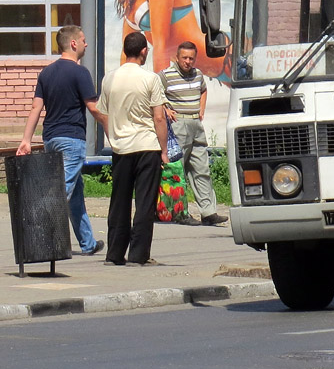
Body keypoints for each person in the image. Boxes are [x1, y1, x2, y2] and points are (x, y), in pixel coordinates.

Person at [15, 25, 105, 256]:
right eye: (83, 40)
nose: (86, 43)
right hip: (71, 140)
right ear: (73, 43)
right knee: (59, 192)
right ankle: (33, 236)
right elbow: (93, 108)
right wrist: (113, 128)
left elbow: (36, 107)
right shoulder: (80, 72)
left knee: (75, 192)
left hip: (51, 139)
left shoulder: (46, 73)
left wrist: (26, 140)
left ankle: (88, 243)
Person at [98, 31, 168, 266]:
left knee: (119, 201)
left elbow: (103, 114)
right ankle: (139, 255)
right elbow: (159, 118)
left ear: (125, 50)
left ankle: (114, 253)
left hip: (121, 148)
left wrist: (113, 137)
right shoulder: (150, 79)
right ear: (144, 51)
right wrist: (164, 150)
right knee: (145, 202)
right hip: (147, 146)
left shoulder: (109, 78)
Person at [160, 41, 227, 226]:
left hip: (195, 124)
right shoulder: (166, 75)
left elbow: (203, 90)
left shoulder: (197, 75)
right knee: (177, 171)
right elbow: (156, 94)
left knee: (201, 169)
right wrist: (166, 109)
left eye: (191, 58)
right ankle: (179, 212)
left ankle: (209, 212)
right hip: (178, 125)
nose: (188, 62)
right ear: (177, 57)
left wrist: (201, 109)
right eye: (184, 58)